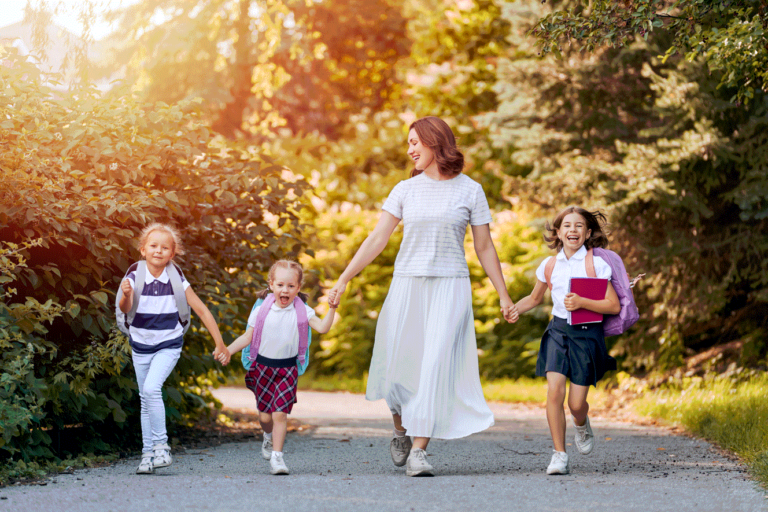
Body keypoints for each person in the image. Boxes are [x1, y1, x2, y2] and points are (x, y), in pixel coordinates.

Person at [328, 116, 518, 477]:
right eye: (409, 142)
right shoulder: (405, 190)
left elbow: (484, 247)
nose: (410, 149)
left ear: (435, 143)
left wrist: (503, 295)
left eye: (415, 142)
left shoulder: (470, 190)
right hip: (408, 285)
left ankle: (419, 451)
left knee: (433, 367)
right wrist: (344, 278)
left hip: (451, 287)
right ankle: (400, 428)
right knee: (399, 371)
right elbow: (377, 239)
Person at [512, 206, 620, 475]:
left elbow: (613, 305)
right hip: (558, 332)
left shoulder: (596, 263)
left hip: (586, 334)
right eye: (567, 226)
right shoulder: (549, 265)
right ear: (558, 233)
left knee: (575, 404)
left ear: (588, 232)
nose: (573, 230)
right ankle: (559, 454)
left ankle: (581, 423)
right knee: (554, 392)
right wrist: (515, 308)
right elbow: (535, 299)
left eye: (579, 225)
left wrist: (583, 301)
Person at [118, 223, 231, 475]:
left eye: (164, 247)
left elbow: (200, 309)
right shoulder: (134, 276)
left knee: (150, 389)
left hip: (169, 343)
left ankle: (161, 447)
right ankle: (147, 455)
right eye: (153, 246)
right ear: (143, 249)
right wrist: (126, 294)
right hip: (140, 344)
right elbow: (125, 309)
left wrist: (219, 342)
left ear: (172, 253)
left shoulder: (176, 279)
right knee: (145, 400)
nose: (158, 251)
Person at [222, 260, 337, 475]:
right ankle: (267, 436)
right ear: (272, 285)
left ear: (298, 288)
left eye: (291, 286)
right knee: (265, 417)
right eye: (281, 285)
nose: (285, 290)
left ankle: (277, 457)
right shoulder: (261, 310)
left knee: (280, 415)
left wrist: (332, 309)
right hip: (262, 368)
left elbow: (322, 328)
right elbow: (248, 336)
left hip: (287, 370)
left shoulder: (303, 311)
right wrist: (228, 350)